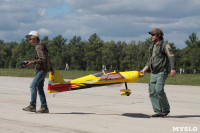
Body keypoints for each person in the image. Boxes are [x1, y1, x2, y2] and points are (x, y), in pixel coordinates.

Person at [140, 28, 176, 117]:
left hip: (162, 71)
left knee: (159, 90)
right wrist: (144, 70)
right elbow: (150, 60)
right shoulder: (151, 47)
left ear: (159, 35)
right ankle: (158, 111)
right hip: (153, 73)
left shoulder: (165, 45)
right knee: (152, 91)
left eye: (153, 35)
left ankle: (165, 109)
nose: (151, 36)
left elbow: (171, 56)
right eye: (151, 35)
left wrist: (173, 68)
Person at [23, 31, 54, 113]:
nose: (29, 40)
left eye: (30, 38)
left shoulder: (38, 47)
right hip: (44, 69)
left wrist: (31, 62)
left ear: (34, 38)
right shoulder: (41, 46)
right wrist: (51, 69)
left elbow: (43, 59)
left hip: (42, 69)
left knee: (33, 85)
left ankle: (32, 105)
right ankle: (44, 107)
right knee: (39, 88)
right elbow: (47, 58)